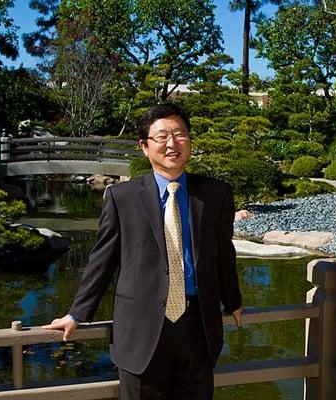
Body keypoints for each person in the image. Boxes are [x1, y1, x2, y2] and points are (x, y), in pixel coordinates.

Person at [44, 103, 243, 400]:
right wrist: (77, 313)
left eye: (179, 134)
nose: (172, 143)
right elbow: (103, 260)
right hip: (141, 330)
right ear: (144, 147)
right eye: (161, 136)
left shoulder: (215, 194)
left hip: (198, 328)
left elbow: (223, 256)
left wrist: (234, 301)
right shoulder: (121, 197)